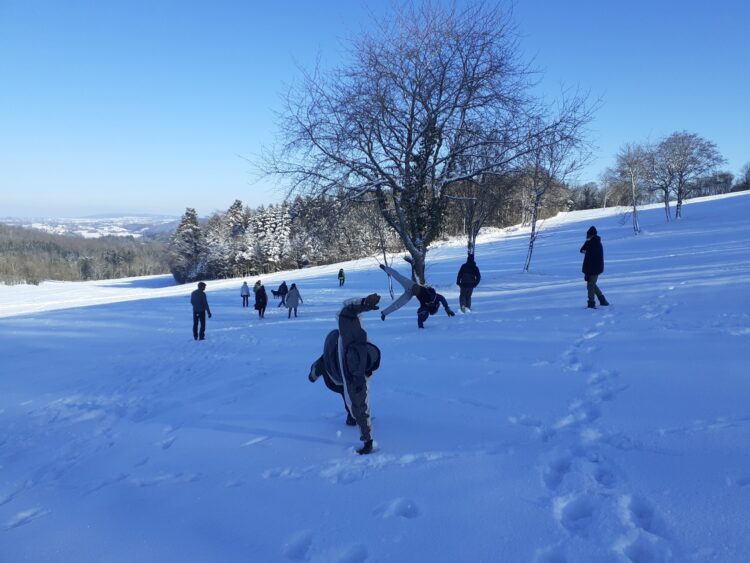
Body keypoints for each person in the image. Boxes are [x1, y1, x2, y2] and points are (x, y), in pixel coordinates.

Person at [309, 294, 382, 455]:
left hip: (333, 364)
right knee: (347, 395)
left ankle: (350, 417)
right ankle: (350, 418)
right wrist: (367, 441)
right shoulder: (357, 380)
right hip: (335, 375)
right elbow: (360, 410)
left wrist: (364, 304)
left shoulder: (353, 335)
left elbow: (347, 309)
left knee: (346, 393)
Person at [379, 264, 455, 328]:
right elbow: (443, 299)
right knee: (399, 277)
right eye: (430, 303)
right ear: (434, 304)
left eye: (428, 304)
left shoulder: (425, 307)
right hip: (412, 285)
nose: (428, 303)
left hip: (410, 293)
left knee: (398, 304)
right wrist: (447, 309)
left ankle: (384, 313)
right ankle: (385, 268)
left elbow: (421, 314)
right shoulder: (435, 297)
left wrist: (420, 325)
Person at [580, 226, 609, 309]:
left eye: (588, 235)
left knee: (590, 285)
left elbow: (592, 259)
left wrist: (588, 272)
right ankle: (603, 300)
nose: (587, 236)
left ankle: (591, 303)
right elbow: (582, 250)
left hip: (595, 269)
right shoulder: (590, 242)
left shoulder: (596, 243)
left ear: (592, 235)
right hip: (590, 268)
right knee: (592, 285)